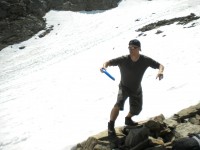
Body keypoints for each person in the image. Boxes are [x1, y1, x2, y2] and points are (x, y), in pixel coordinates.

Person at [100, 39, 164, 137]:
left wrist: (160, 72)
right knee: (118, 104)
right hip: (124, 87)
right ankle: (111, 126)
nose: (131, 49)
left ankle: (128, 119)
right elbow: (108, 62)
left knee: (137, 110)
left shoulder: (145, 60)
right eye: (129, 47)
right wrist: (104, 67)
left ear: (139, 48)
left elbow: (160, 65)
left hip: (136, 88)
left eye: (133, 47)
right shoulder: (123, 59)